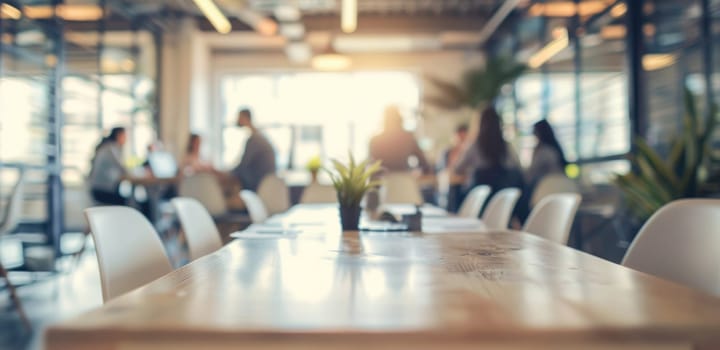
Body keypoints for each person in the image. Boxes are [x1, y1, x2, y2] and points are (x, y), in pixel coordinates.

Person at [453, 107, 523, 198]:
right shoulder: (506, 146)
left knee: (455, 190)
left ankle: (454, 212)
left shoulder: (474, 145)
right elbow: (517, 167)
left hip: (479, 199)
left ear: (479, 124)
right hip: (501, 199)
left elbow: (457, 168)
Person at [369, 105, 432, 174]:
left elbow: (371, 166)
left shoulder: (375, 140)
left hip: (380, 181)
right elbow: (424, 165)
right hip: (403, 181)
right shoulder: (408, 137)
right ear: (399, 118)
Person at [230, 108, 276, 192]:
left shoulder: (255, 140)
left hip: (258, 184)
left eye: (239, 117)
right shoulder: (258, 137)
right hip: (263, 182)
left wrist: (227, 173)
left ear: (245, 118)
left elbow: (243, 166)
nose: (237, 120)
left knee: (229, 184)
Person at [89, 127, 129, 205]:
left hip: (106, 188)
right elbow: (121, 167)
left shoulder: (110, 147)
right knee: (127, 202)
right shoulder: (110, 148)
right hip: (101, 190)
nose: (126, 139)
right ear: (119, 135)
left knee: (128, 200)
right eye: (125, 135)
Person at [525, 119, 568, 186]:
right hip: (554, 184)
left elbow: (533, 171)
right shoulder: (552, 148)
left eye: (535, 132)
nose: (534, 134)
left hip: (549, 185)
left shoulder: (545, 151)